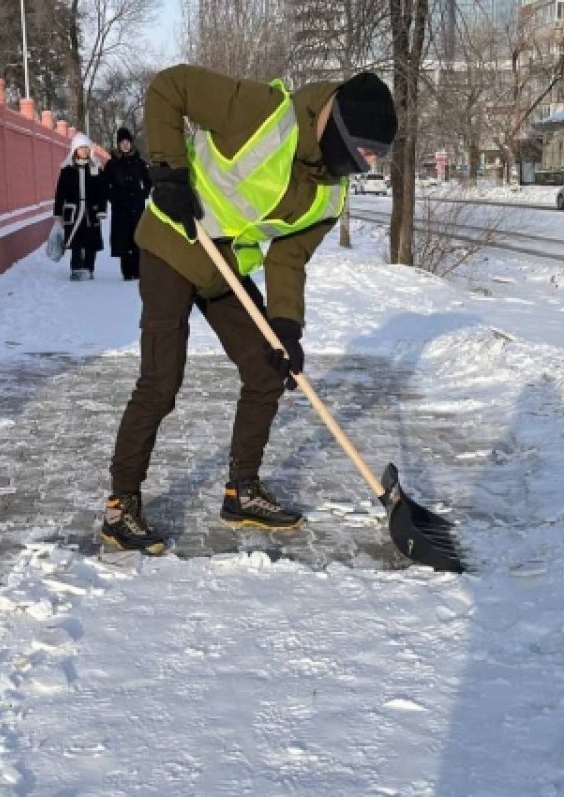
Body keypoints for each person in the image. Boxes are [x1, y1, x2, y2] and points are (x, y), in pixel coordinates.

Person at [100, 65, 398, 554]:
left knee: (267, 368)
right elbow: (169, 87)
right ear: (337, 127)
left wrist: (286, 326)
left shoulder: (331, 191)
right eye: (363, 151)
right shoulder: (261, 111)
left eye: (375, 157)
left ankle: (242, 491)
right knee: (161, 381)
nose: (365, 163)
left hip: (224, 270)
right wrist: (168, 170)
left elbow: (289, 256)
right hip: (173, 243)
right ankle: (121, 506)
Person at [53, 133, 109, 280]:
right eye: (80, 148)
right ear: (75, 150)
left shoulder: (96, 168)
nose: (83, 151)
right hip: (74, 211)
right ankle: (76, 268)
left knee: (92, 241)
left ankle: (89, 268)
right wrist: (58, 212)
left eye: (85, 148)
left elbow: (103, 191)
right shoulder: (67, 170)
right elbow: (60, 192)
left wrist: (102, 209)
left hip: (91, 211)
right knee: (76, 241)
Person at [105, 127, 152, 280]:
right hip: (121, 208)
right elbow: (105, 184)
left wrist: (143, 194)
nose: (125, 145)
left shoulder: (139, 162)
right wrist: (113, 198)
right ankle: (127, 271)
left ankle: (138, 270)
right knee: (123, 239)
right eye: (122, 142)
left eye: (127, 142)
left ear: (131, 143)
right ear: (118, 144)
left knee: (137, 237)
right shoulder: (112, 164)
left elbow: (148, 180)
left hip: (137, 206)